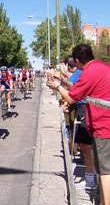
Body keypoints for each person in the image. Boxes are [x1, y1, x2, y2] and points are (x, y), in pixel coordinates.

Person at [47, 44, 110, 205]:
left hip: (103, 126)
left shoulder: (88, 72)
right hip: (104, 123)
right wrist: (63, 81)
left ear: (77, 60)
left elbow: (72, 98)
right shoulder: (103, 66)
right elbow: (79, 89)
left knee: (105, 172)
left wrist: (58, 87)